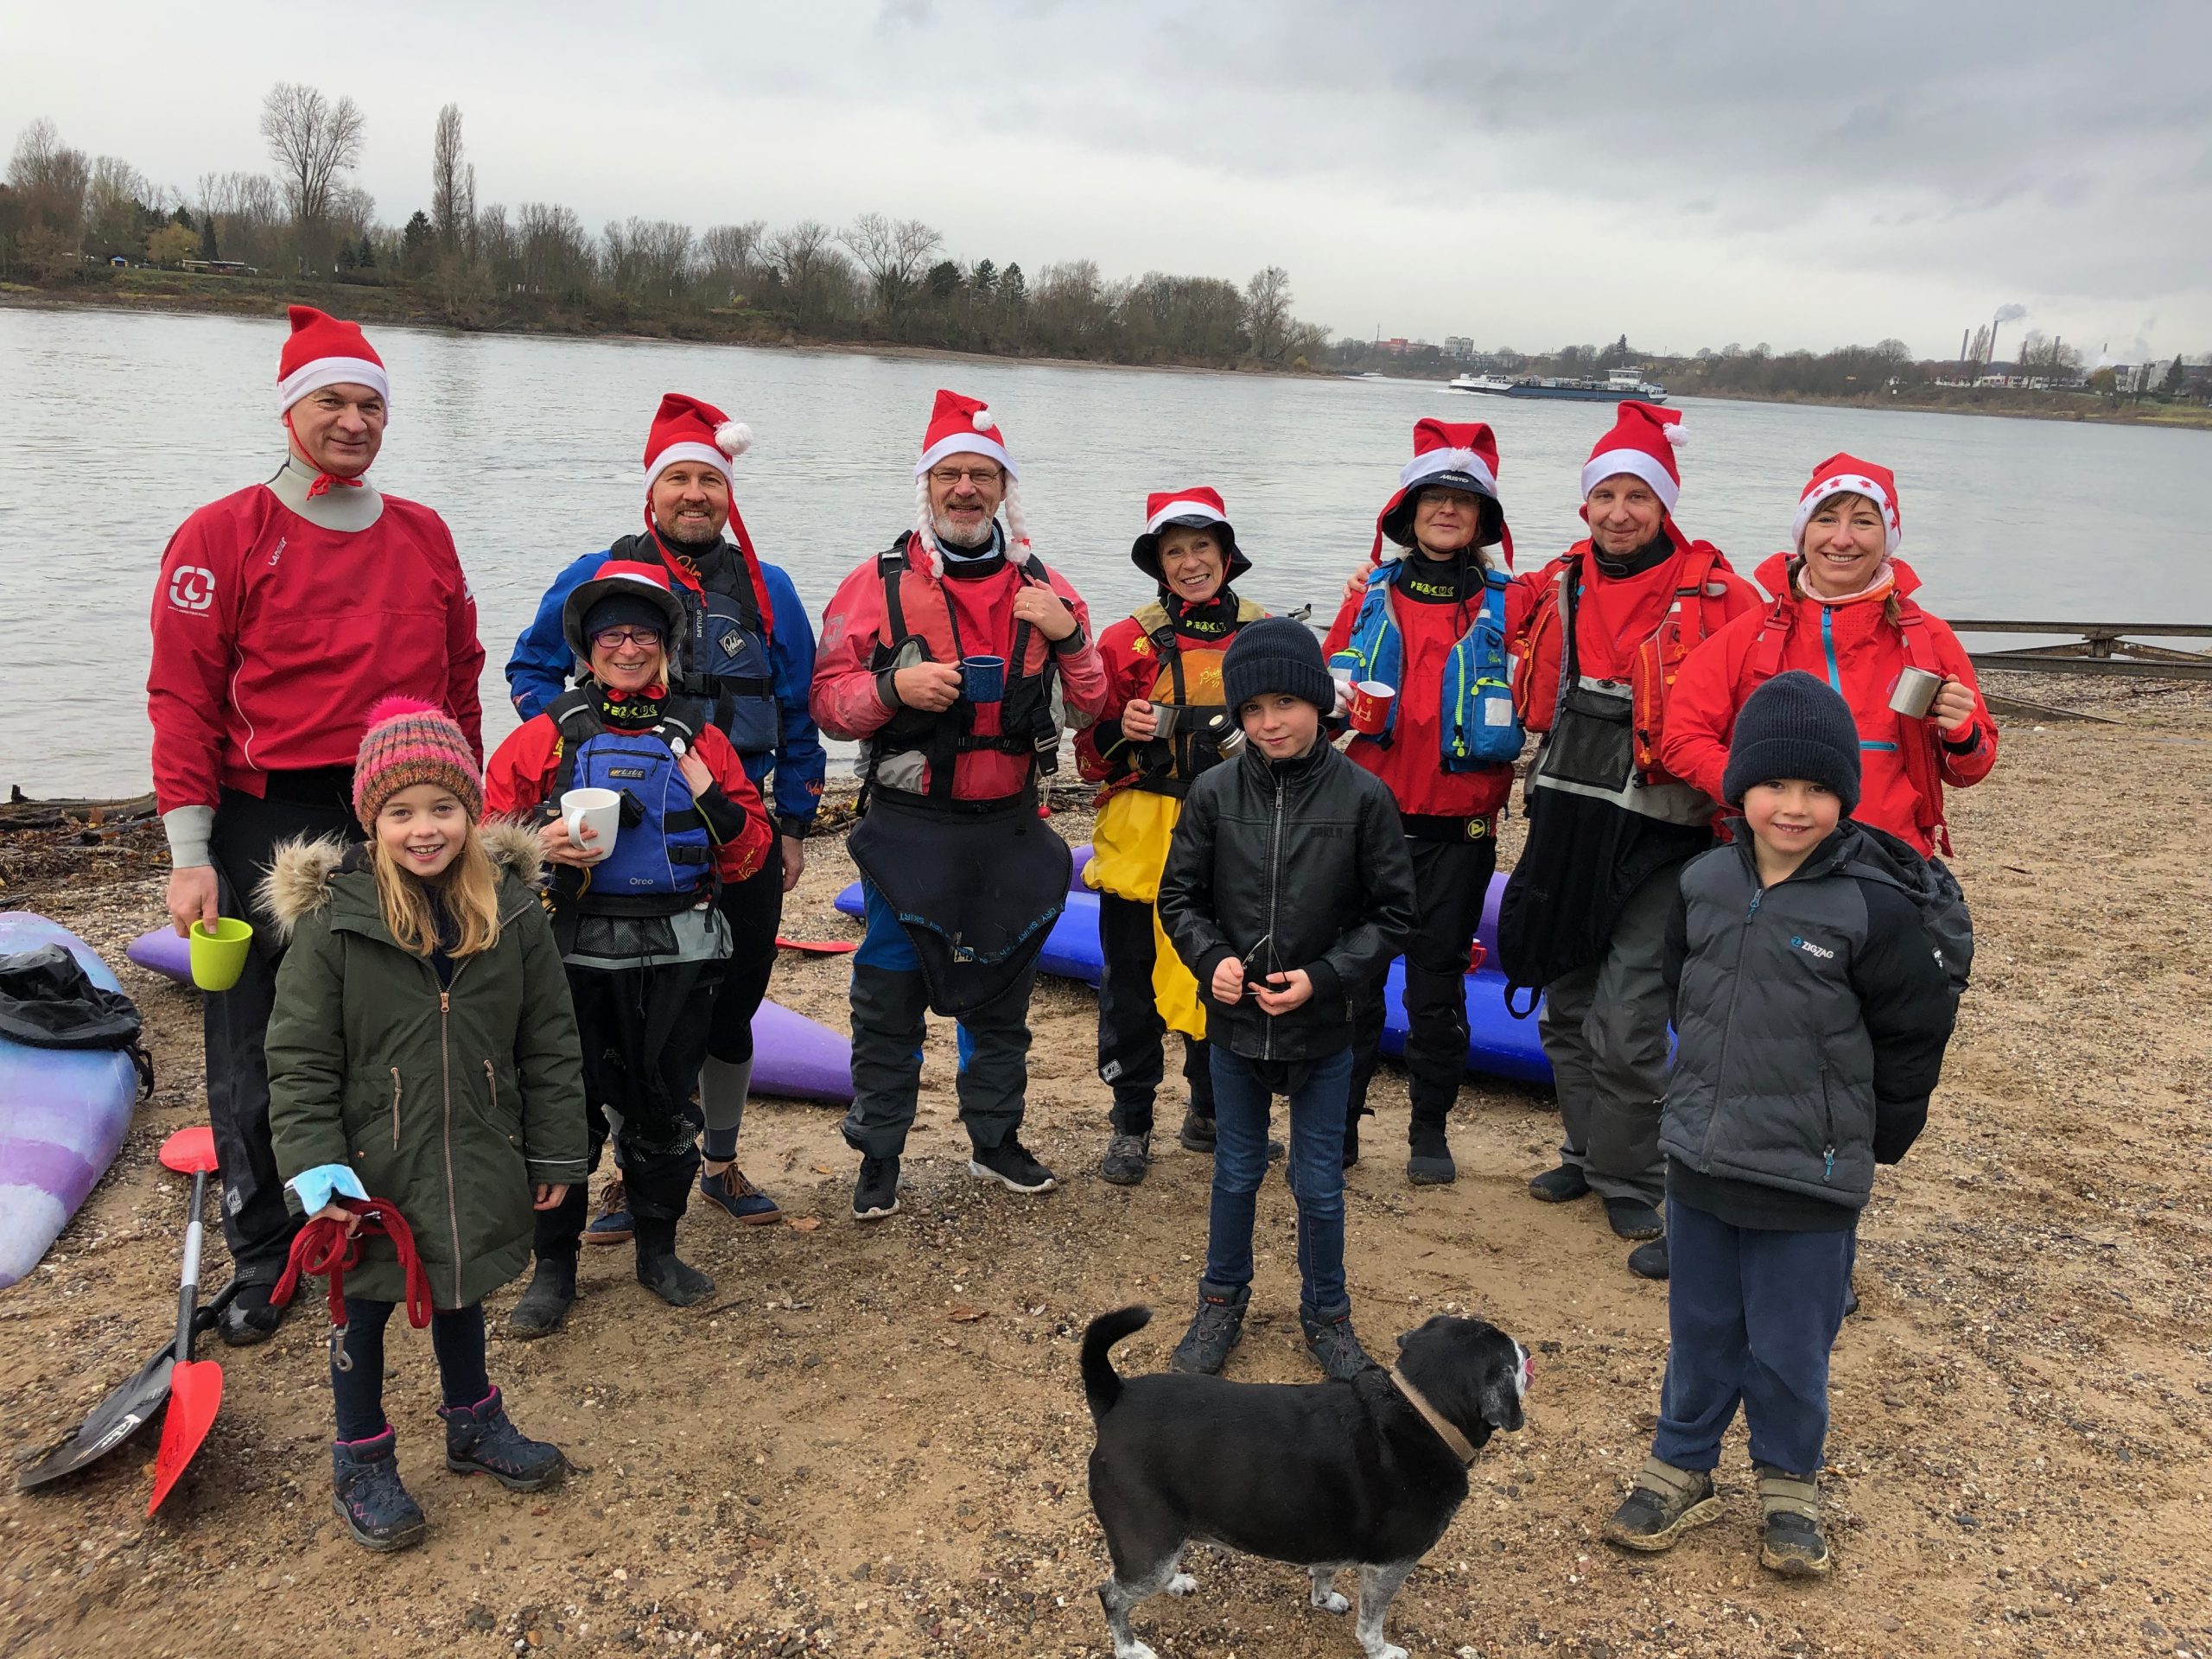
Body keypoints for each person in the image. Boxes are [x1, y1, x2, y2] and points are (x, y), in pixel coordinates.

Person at [149, 305, 483, 1345]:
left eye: (370, 403)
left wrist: (466, 819)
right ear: (292, 411)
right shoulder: (222, 532)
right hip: (268, 817)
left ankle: (380, 1217)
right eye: (332, 401)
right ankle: (263, 1251)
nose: (353, 420)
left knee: (393, 1028)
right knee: (258, 1044)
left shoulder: (424, 533)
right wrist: (191, 856)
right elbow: (183, 698)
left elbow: (461, 685)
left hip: (399, 812)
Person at [1601, 672, 1956, 1579]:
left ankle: (1788, 1481)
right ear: (1740, 789)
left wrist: (1877, 1137)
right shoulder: (1703, 882)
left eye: (1815, 789)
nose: (1792, 808)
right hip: (1704, 1161)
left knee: (1792, 1343)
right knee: (1702, 1326)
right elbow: (1685, 988)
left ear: (1843, 794)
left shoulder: (1871, 907)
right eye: (1774, 786)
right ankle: (1681, 1465)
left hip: (1810, 1174)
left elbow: (1913, 1029)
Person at [263, 698, 587, 1553]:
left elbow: (550, 1039)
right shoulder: (334, 921)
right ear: (372, 822)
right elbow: (298, 1063)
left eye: (442, 807)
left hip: (478, 1141)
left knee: (461, 1278)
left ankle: (474, 1421)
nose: (424, 829)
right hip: (368, 1160)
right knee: (361, 1307)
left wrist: (556, 1145)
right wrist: (318, 1175)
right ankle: (360, 1458)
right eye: (400, 812)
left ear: (470, 813)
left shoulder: (514, 912)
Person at [507, 393, 824, 1232]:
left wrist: (792, 825)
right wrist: (579, 748)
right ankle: (632, 1170)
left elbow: (796, 713)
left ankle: (718, 1162)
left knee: (732, 1007)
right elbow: (531, 671)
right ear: (651, 493)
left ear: (728, 495)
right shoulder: (596, 576)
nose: (695, 494)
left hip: (738, 834)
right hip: (624, 837)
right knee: (626, 1007)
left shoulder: (769, 589)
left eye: (709, 481)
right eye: (678, 479)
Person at [811, 390, 1111, 1221]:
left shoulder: (1048, 589)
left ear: (1005, 490)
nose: (967, 490)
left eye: (983, 475)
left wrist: (1070, 637)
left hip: (1010, 828)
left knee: (1000, 997)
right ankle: (879, 1154)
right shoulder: (876, 586)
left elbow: (1094, 707)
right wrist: (892, 686)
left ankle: (993, 1141)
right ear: (928, 486)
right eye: (952, 475)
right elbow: (828, 702)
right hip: (909, 832)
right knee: (886, 998)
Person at [1499, 401, 1761, 1279]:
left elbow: (1765, 696)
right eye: (1604, 494)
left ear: (1665, 506)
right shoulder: (1552, 585)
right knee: (1566, 1003)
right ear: (1584, 506)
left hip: (1664, 834)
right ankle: (1584, 1155)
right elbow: (1477, 626)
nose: (1618, 512)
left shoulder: (1724, 597)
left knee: (1627, 1021)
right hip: (1568, 818)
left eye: (1637, 496)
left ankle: (1632, 1172)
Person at [486, 563, 774, 1336]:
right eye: (612, 633)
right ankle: (554, 1269)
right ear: (585, 647)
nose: (628, 646)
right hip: (570, 953)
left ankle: (658, 1249)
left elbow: (750, 855)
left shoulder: (703, 735)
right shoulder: (545, 736)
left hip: (678, 948)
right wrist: (532, 842)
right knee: (562, 1111)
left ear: (667, 646)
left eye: (644, 633)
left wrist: (707, 792)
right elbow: (478, 849)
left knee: (661, 1105)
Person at [1157, 618, 1417, 1379]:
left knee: (1318, 1183)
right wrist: (1213, 962)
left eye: (1285, 705)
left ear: (1317, 703)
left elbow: (1394, 915)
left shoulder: (1365, 796)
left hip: (1326, 1027)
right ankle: (1219, 1302)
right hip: (1234, 1026)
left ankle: (1327, 1313)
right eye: (1252, 710)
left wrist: (1325, 977)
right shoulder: (1211, 792)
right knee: (1235, 1171)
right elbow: (1180, 899)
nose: (1269, 723)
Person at [1323, 420, 1529, 1185]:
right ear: (1406, 514)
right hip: (1367, 825)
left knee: (1437, 990)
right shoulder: (1367, 600)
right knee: (1353, 985)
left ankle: (1429, 1132)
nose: (1447, 511)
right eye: (1433, 499)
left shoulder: (1518, 608)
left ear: (1484, 524)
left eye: (1464, 502)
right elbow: (1325, 704)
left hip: (1460, 832)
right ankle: (1338, 1126)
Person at [1660, 454, 1998, 859]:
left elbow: (1970, 771)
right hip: (1769, 858)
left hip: (1890, 860)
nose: (1842, 539)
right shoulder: (1747, 636)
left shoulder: (1929, 639)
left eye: (1864, 522)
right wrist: (1751, 785)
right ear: (1803, 534)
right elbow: (1682, 740)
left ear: (1887, 538)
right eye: (1825, 520)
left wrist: (1961, 734)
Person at [1076, 487, 1268, 1184]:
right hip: (1142, 833)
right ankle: (1130, 1125)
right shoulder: (1125, 640)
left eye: (1202, 549)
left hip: (1236, 833)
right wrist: (1114, 731)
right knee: (1130, 981)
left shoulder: (1266, 632)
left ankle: (1210, 1111)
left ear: (1226, 556)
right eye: (1175, 551)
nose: (1191, 563)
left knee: (1228, 972)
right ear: (1158, 562)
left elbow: (1306, 732)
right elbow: (1088, 755)